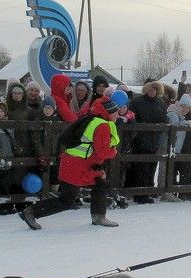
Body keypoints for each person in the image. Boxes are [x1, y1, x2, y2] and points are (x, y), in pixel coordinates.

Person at [19, 91, 128, 230]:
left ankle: (99, 216)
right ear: (108, 112)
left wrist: (98, 168)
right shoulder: (102, 125)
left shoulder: (92, 119)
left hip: (76, 163)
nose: (117, 114)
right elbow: (103, 151)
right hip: (76, 165)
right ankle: (31, 212)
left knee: (100, 183)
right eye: (115, 112)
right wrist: (114, 152)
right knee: (67, 200)